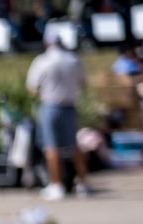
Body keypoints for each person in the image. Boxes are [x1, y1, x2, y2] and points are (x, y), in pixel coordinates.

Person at [27, 27, 90, 198]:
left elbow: (32, 87)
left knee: (51, 147)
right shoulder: (73, 59)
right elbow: (83, 83)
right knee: (74, 146)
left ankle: (56, 185)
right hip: (70, 106)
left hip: (50, 106)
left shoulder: (42, 61)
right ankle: (83, 183)